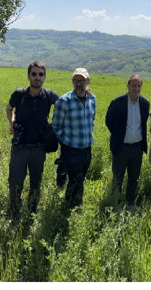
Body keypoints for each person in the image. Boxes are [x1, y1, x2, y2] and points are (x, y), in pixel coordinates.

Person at [5, 61, 59, 219]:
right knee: (15, 184)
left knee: (36, 183)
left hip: (38, 149)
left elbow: (67, 103)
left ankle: (32, 213)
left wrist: (85, 92)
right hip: (19, 148)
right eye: (34, 74)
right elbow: (9, 109)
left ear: (45, 77)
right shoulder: (19, 94)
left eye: (40, 74)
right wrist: (12, 123)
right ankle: (15, 212)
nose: (37, 77)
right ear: (28, 76)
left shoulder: (49, 96)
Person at [51, 68, 97, 208]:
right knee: (76, 182)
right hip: (71, 149)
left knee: (79, 179)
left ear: (88, 81)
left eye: (82, 80)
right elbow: (56, 126)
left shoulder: (92, 99)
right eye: (76, 80)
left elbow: (91, 121)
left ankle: (69, 205)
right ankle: (74, 208)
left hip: (87, 149)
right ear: (72, 81)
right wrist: (65, 143)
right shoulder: (64, 101)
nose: (78, 83)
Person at [105, 75, 150, 208]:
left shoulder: (145, 103)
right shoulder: (117, 102)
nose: (136, 88)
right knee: (117, 178)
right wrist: (118, 135)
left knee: (134, 178)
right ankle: (115, 203)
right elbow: (109, 121)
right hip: (121, 147)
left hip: (137, 148)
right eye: (133, 85)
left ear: (141, 87)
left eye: (138, 86)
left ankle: (130, 203)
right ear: (128, 86)